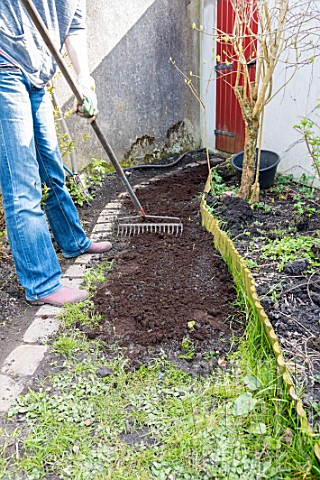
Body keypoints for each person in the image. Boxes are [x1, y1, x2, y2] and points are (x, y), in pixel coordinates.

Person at [0, 0, 112, 307]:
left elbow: (73, 26)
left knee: (51, 169)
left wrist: (84, 81)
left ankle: (73, 242)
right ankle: (41, 283)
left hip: (37, 75)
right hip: (5, 64)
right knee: (23, 184)